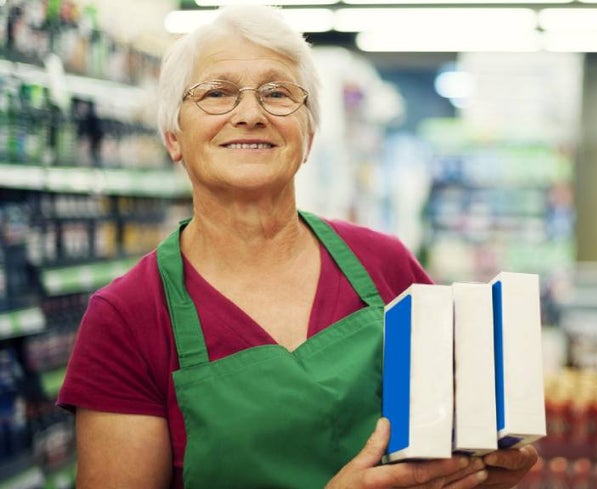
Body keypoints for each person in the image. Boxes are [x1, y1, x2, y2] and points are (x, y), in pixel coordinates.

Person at [57, 5, 540, 489]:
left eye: (278, 94)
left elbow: (463, 438)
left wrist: (488, 470)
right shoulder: (127, 316)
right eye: (217, 93)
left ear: (308, 136)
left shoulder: (387, 266)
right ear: (173, 136)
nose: (250, 114)